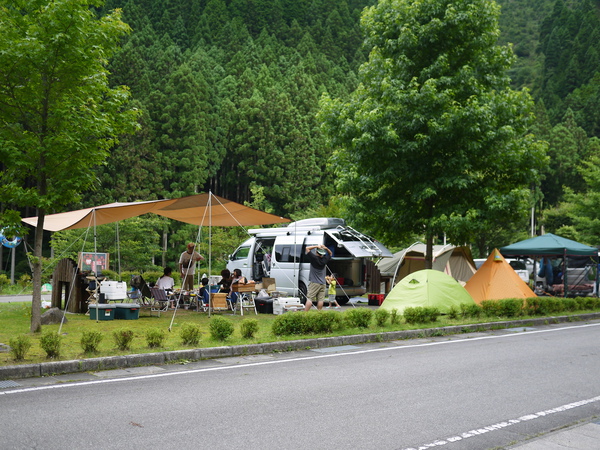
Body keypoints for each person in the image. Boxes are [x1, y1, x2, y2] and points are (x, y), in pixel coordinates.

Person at [304, 244, 332, 311]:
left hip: (314, 282)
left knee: (310, 298)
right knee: (320, 300)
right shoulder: (325, 259)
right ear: (322, 254)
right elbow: (330, 253)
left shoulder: (314, 258)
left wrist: (316, 246)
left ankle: (304, 314)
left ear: (317, 252)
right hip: (323, 283)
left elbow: (307, 248)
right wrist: (326, 248)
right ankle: (319, 313)